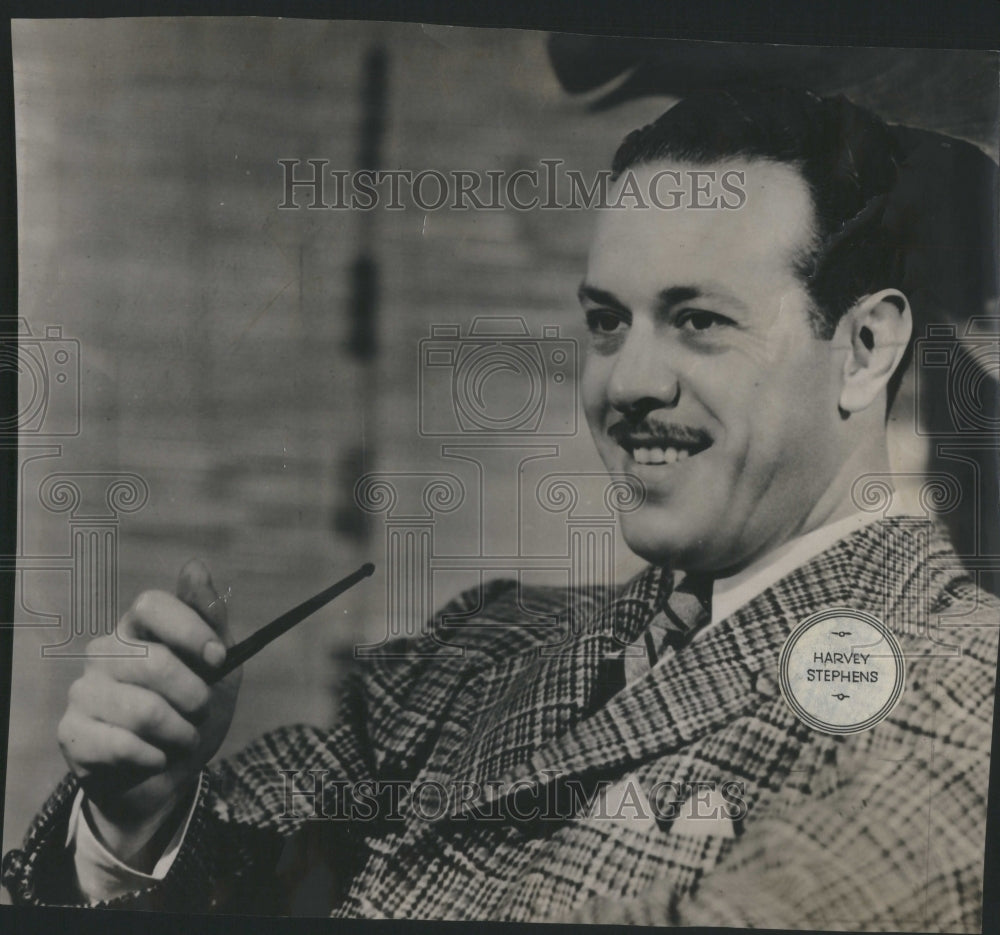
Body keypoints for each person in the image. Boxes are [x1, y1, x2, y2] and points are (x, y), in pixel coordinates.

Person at [4, 87, 998, 931]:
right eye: (606, 322)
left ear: (863, 348)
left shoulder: (957, 690)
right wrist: (138, 816)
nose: (629, 382)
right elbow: (234, 851)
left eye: (700, 320)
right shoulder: (486, 641)